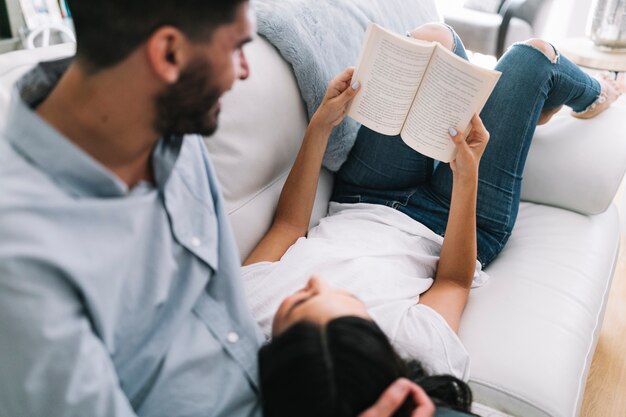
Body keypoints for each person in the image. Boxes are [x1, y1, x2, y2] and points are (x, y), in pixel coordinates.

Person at [0, 0, 443, 415]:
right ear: (169, 53)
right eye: (237, 48)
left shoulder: (172, 128)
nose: (243, 73)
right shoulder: (25, 264)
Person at [242, 23, 626, 417]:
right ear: (372, 341)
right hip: (451, 221)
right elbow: (452, 280)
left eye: (299, 299)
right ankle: (596, 93)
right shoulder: (417, 347)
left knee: (432, 41)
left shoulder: (253, 306)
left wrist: (321, 125)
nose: (316, 281)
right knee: (532, 57)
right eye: (333, 297)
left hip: (364, 194)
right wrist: (465, 175)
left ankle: (518, 105)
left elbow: (288, 227)